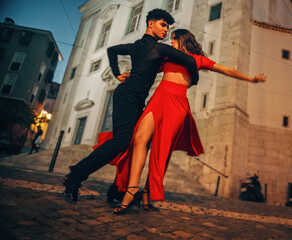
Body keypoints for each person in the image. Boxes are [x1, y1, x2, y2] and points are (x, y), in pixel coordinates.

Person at [110, 29, 266, 214]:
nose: (171, 42)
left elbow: (226, 69)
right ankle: (132, 188)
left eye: (173, 39)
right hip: (158, 99)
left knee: (162, 148)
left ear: (181, 39)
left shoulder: (197, 60)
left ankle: (147, 191)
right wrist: (128, 74)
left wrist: (251, 79)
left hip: (177, 103)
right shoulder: (167, 57)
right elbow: (147, 68)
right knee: (139, 139)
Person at [61, 9, 199, 203]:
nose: (166, 30)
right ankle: (75, 177)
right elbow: (190, 60)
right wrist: (194, 80)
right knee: (122, 141)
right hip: (127, 96)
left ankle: (118, 189)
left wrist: (117, 74)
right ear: (150, 24)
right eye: (163, 25)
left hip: (133, 98)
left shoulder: (138, 46)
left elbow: (112, 51)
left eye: (168, 27)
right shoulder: (159, 49)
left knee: (137, 142)